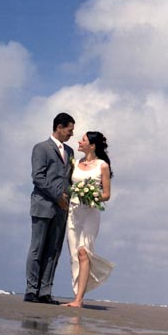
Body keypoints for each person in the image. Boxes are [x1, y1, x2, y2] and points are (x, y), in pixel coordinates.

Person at [24, 112, 75, 305]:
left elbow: (69, 179)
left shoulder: (70, 152)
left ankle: (45, 292)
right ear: (59, 127)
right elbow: (38, 177)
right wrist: (57, 196)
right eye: (69, 130)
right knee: (37, 249)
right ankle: (31, 290)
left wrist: (68, 199)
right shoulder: (41, 148)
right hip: (43, 204)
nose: (71, 134)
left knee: (54, 251)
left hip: (62, 209)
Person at [64, 131, 115, 308]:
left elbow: (107, 195)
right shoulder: (75, 163)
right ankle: (76, 295)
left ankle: (78, 300)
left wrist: (93, 196)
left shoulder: (102, 166)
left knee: (83, 251)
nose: (79, 141)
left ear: (92, 146)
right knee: (74, 256)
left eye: (83, 140)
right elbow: (68, 186)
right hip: (74, 212)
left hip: (91, 213)